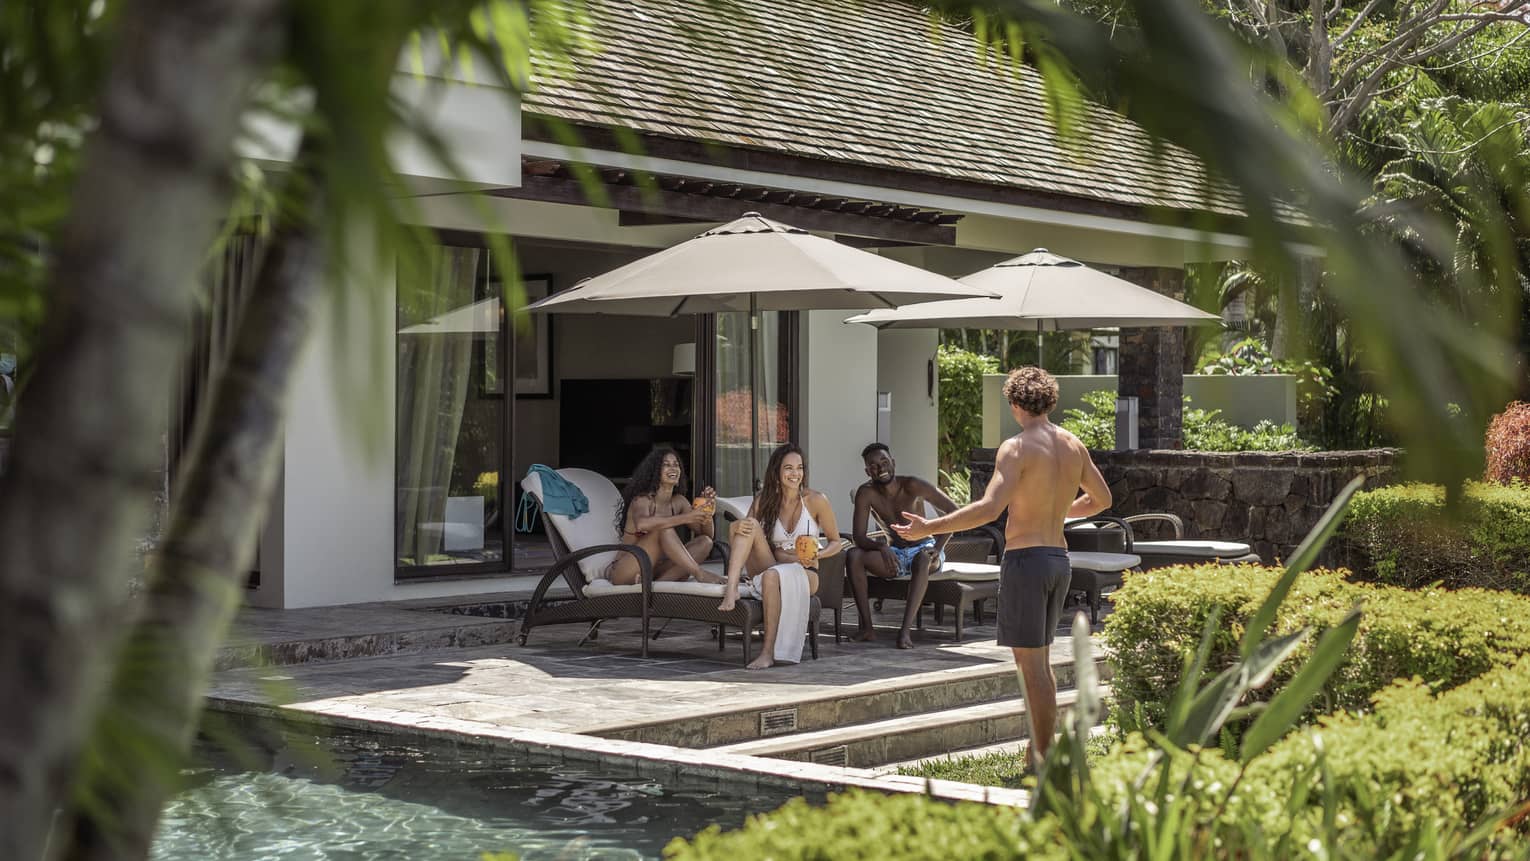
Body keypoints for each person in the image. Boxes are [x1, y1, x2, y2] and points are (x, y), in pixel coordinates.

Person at [892, 367, 1110, 767]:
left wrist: (931, 526)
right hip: (1058, 560)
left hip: (1027, 561)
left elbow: (990, 508)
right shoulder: (1072, 444)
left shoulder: (1016, 447)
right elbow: (1102, 499)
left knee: (1032, 669)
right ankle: (1038, 749)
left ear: (1013, 404)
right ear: (1049, 401)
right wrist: (1057, 513)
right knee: (1039, 663)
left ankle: (1044, 758)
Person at [718, 443, 843, 669]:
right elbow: (740, 536)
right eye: (788, 468)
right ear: (776, 471)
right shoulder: (764, 500)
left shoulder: (816, 500)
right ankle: (732, 587)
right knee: (750, 525)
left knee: (772, 576)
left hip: (806, 571)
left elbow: (837, 542)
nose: (795, 474)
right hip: (773, 563)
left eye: (799, 468)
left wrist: (819, 555)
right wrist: (734, 527)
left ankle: (767, 652)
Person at [847, 442, 959, 649]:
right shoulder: (866, 493)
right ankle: (867, 629)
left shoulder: (913, 485)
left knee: (922, 558)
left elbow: (955, 512)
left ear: (893, 463)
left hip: (925, 548)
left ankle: (905, 632)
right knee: (854, 555)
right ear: (867, 471)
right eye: (873, 466)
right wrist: (881, 547)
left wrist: (939, 547)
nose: (880, 469)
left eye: (884, 462)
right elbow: (859, 537)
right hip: (894, 553)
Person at [608, 448, 717, 585]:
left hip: (657, 570)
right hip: (627, 569)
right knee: (662, 528)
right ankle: (699, 573)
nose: (673, 468)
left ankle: (659, 584)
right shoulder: (642, 500)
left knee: (705, 542)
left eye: (676, 464)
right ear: (654, 472)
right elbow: (642, 524)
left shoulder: (679, 502)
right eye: (666, 464)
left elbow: (707, 534)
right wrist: (687, 517)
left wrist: (707, 509)